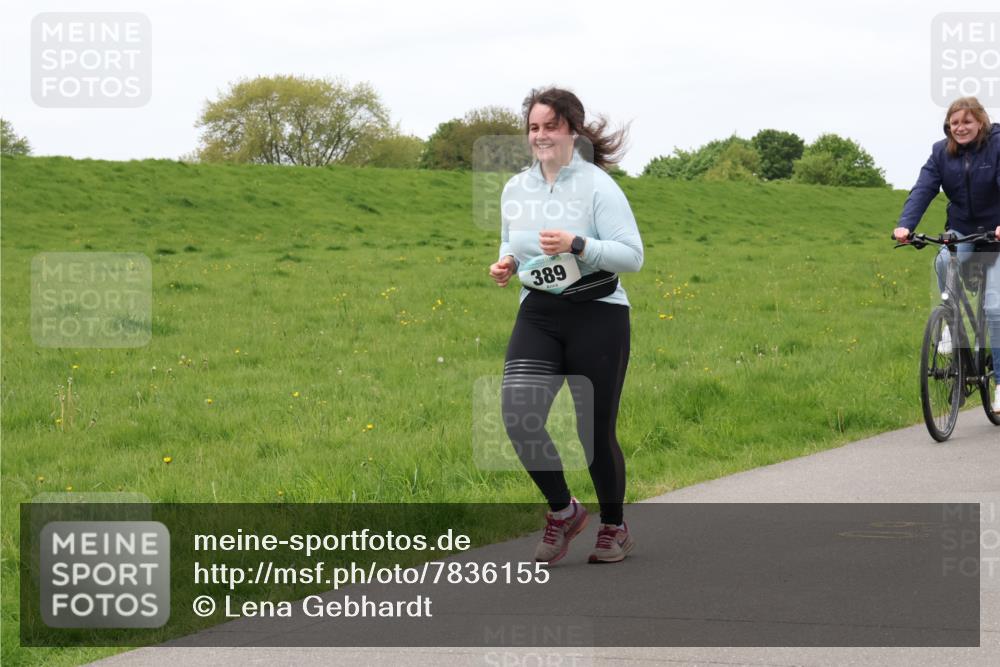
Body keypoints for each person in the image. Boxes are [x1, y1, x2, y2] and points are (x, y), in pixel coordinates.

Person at [488, 87, 643, 564]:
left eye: (550, 126)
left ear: (572, 131)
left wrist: (579, 245)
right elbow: (510, 243)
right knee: (518, 414)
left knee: (593, 431)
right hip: (539, 313)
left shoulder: (597, 185)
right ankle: (564, 511)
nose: (540, 136)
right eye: (533, 127)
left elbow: (632, 256)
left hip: (598, 312)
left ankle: (614, 527)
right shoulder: (516, 188)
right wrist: (508, 263)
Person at [892, 96, 1000, 413]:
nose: (960, 128)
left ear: (980, 122)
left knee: (995, 309)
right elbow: (924, 188)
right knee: (942, 257)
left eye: (967, 122)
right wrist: (905, 226)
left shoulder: (996, 146)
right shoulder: (941, 152)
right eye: (955, 123)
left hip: (995, 234)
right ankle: (950, 327)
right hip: (962, 229)